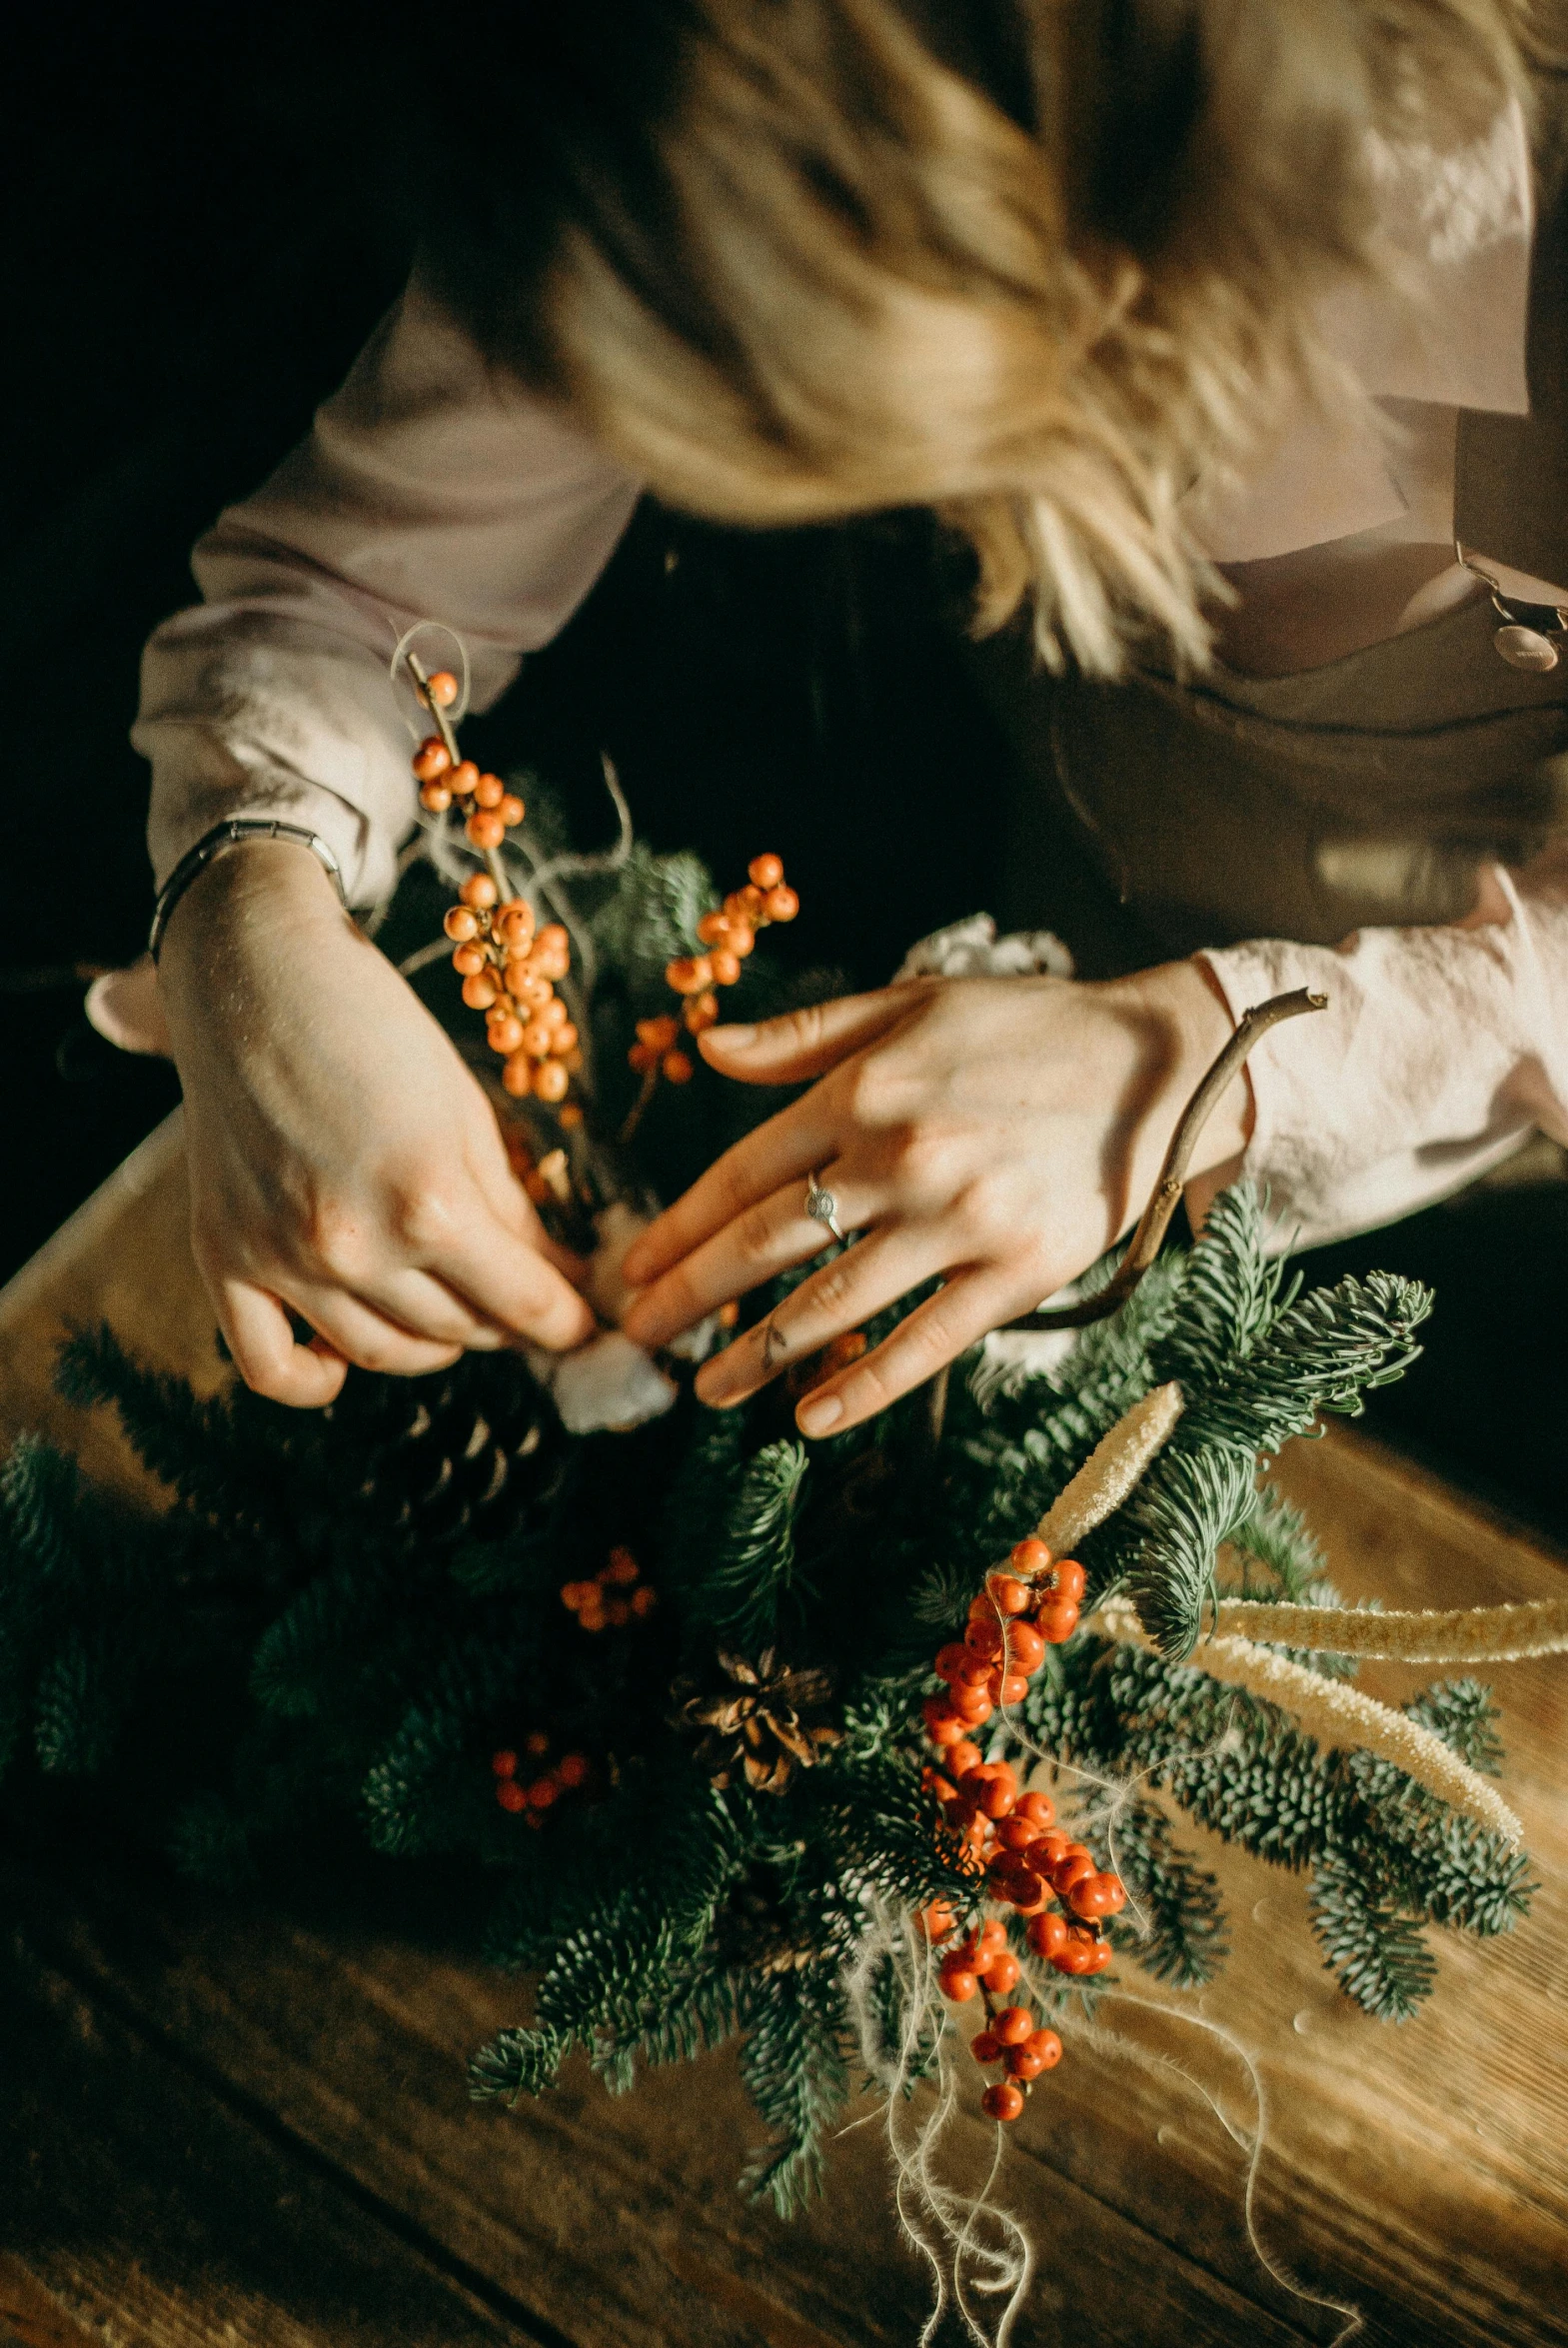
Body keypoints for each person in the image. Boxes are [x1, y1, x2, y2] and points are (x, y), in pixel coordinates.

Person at [133, 0, 1568, 1439]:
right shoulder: (684, 97)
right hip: (1045, 948)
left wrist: (1202, 1067)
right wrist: (247, 912)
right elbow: (346, 591)